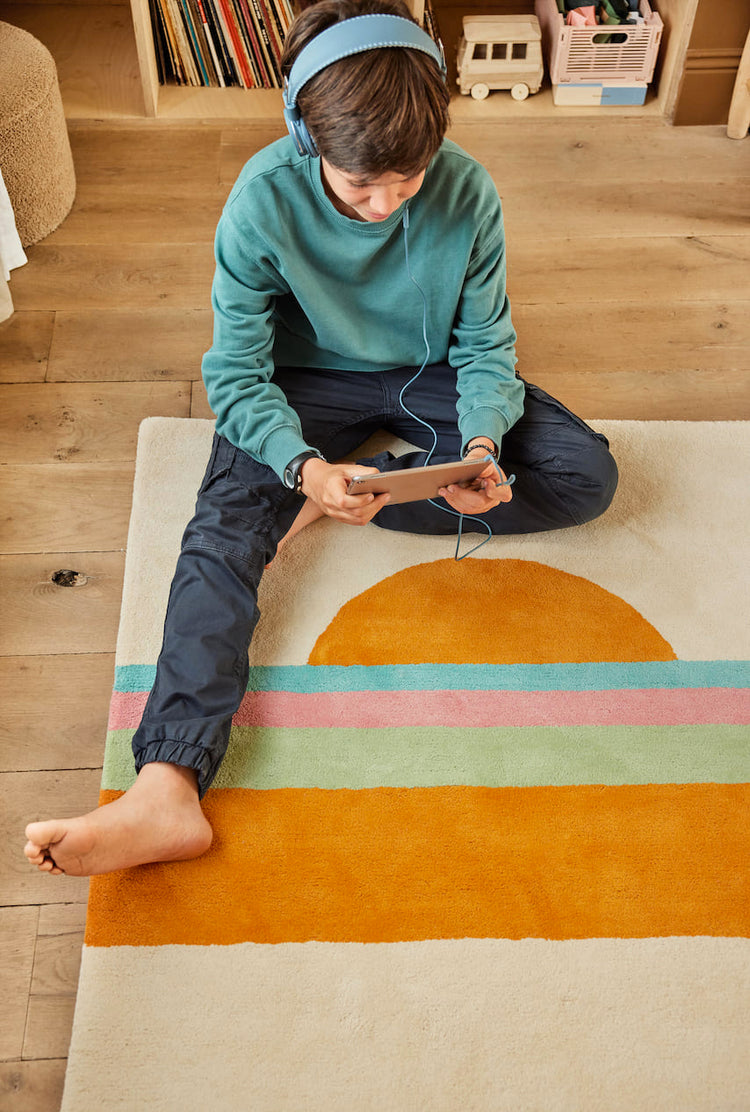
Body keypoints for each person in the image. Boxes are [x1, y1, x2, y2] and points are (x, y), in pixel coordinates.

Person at [24, 0, 617, 878]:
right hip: (304, 381)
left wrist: (482, 448)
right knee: (224, 532)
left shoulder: (469, 190)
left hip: (431, 374)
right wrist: (299, 464)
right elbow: (235, 375)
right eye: (359, 187)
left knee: (584, 476)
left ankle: (364, 494)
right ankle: (167, 786)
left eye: (407, 181)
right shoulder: (263, 200)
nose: (385, 206)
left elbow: (487, 343)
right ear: (307, 140)